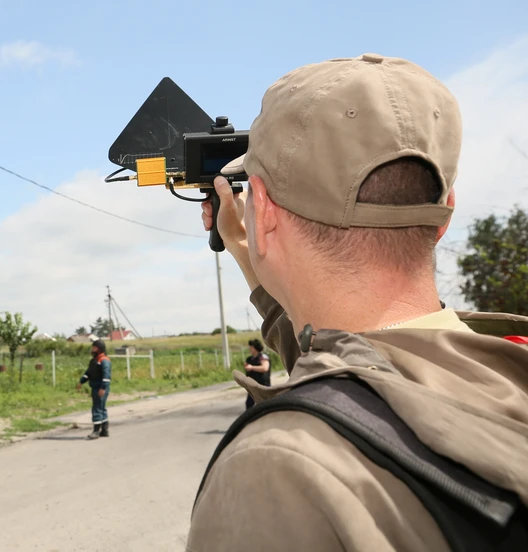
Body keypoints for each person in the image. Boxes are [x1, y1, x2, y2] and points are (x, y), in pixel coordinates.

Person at [186, 53, 528, 551]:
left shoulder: (278, 466)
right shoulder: (507, 364)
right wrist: (253, 255)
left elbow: (354, 391)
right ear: (445, 212)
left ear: (260, 205)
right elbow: (360, 376)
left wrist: (257, 245)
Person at [76, 339, 111, 439]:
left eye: (94, 347)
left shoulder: (104, 360)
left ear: (99, 348)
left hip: (100, 388)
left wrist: (103, 388)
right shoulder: (95, 360)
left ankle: (96, 431)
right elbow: (88, 373)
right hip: (95, 387)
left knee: (96, 408)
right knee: (101, 408)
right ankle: (104, 430)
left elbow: (106, 376)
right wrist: (81, 381)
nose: (92, 349)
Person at [242, 338, 270, 410]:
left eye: (251, 347)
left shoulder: (263, 357)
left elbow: (265, 368)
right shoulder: (249, 359)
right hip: (252, 385)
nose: (249, 349)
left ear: (255, 348)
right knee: (249, 404)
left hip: (263, 384)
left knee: (265, 404)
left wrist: (252, 367)